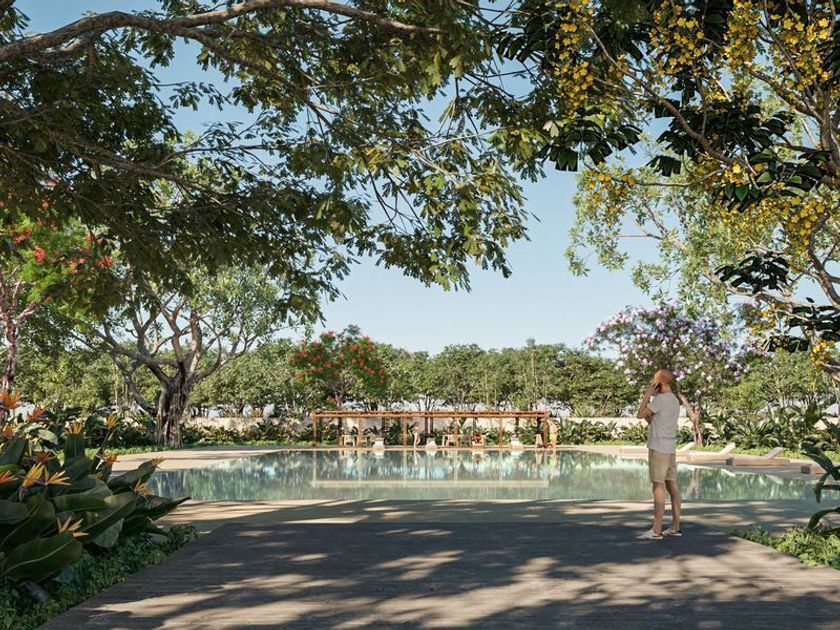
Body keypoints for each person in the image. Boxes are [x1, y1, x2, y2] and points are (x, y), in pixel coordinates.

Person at [635, 368, 682, 540]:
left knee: (658, 486)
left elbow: (640, 414)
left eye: (654, 381)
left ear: (660, 383)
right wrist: (650, 411)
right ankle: (675, 526)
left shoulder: (660, 400)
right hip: (670, 448)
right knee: (672, 486)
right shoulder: (674, 400)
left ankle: (656, 530)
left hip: (658, 448)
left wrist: (647, 395)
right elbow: (652, 420)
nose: (652, 384)